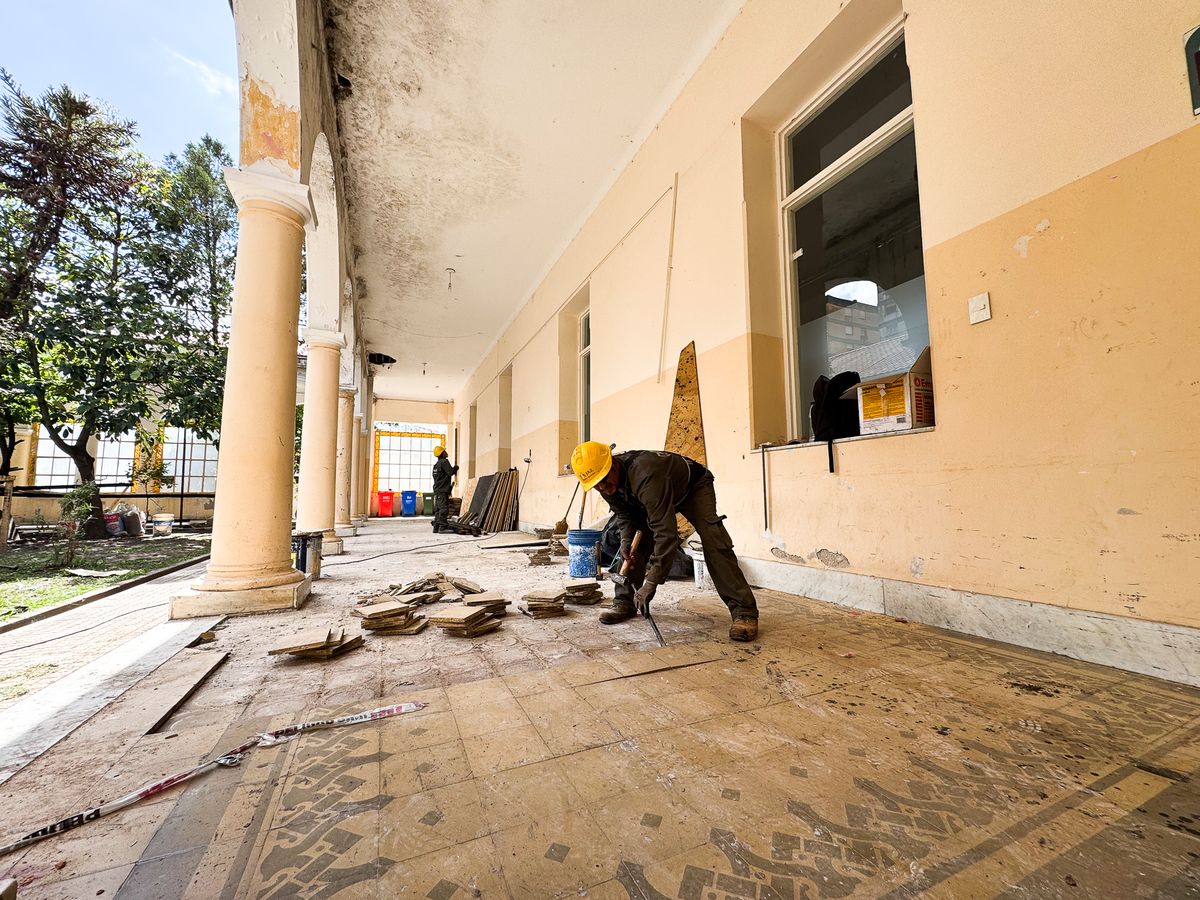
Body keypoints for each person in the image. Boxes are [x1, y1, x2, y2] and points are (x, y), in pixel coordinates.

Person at [570, 441, 759, 642]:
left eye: (604, 481)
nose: (603, 488)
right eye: (596, 485)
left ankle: (744, 612)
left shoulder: (646, 475)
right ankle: (625, 602)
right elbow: (624, 515)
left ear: (613, 465)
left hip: (693, 487)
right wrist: (626, 541)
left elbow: (666, 534)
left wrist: (652, 582)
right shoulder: (604, 480)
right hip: (653, 494)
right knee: (634, 547)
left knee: (714, 541)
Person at [431, 445, 458, 533]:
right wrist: (455, 468)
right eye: (444, 451)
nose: (446, 452)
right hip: (442, 490)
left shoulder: (436, 465)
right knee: (443, 509)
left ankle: (436, 527)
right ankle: (442, 528)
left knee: (438, 509)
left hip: (438, 490)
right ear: (441, 453)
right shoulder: (444, 462)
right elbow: (450, 472)